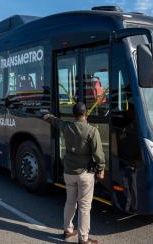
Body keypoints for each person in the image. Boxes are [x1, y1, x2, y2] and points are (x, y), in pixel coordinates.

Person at [43, 102, 105, 244]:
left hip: (69, 173)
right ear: (86, 113)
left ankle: (68, 231)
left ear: (74, 114)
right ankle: (83, 239)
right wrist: (101, 169)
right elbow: (98, 154)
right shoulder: (91, 131)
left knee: (70, 202)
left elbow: (56, 121)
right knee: (84, 206)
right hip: (85, 174)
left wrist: (47, 116)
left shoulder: (67, 126)